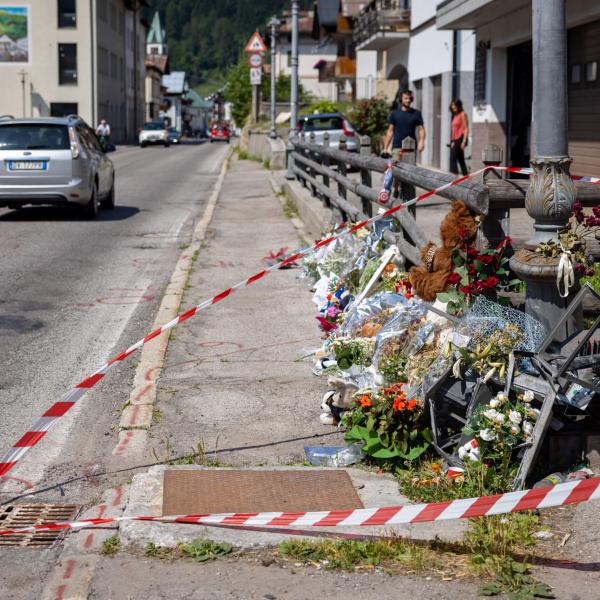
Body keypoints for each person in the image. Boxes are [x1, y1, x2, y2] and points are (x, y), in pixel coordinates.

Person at [383, 89, 425, 158]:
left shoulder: (416, 113)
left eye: (410, 98)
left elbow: (421, 129)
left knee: (410, 168)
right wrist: (385, 148)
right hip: (397, 147)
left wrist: (421, 141)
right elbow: (390, 131)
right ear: (400, 99)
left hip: (411, 147)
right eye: (405, 98)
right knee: (396, 168)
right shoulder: (394, 114)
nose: (408, 100)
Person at [449, 99, 469, 176]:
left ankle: (454, 178)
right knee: (460, 159)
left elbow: (466, 128)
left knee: (452, 158)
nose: (453, 107)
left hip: (460, 138)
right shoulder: (455, 115)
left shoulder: (462, 114)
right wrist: (452, 141)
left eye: (455, 106)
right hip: (455, 139)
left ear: (459, 106)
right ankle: (466, 178)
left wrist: (464, 141)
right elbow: (454, 129)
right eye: (452, 106)